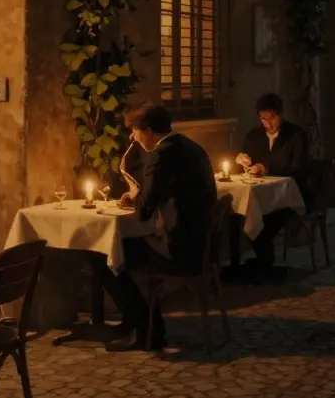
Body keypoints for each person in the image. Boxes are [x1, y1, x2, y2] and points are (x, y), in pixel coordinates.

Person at [102, 102, 217, 351]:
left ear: (149, 129)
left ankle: (146, 331)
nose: (133, 137)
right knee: (121, 251)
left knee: (107, 257)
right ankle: (136, 323)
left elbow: (144, 212)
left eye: (135, 131)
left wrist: (136, 195)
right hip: (206, 245)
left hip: (181, 250)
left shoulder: (161, 155)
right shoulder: (191, 147)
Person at [234, 93, 310, 278]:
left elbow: (298, 167)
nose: (268, 123)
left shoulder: (295, 135)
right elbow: (246, 159)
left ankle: (264, 263)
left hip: (289, 195)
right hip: (262, 193)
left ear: (281, 115)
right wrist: (241, 160)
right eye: (263, 119)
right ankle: (261, 264)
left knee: (265, 221)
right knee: (242, 216)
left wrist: (267, 168)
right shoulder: (254, 135)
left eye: (272, 118)